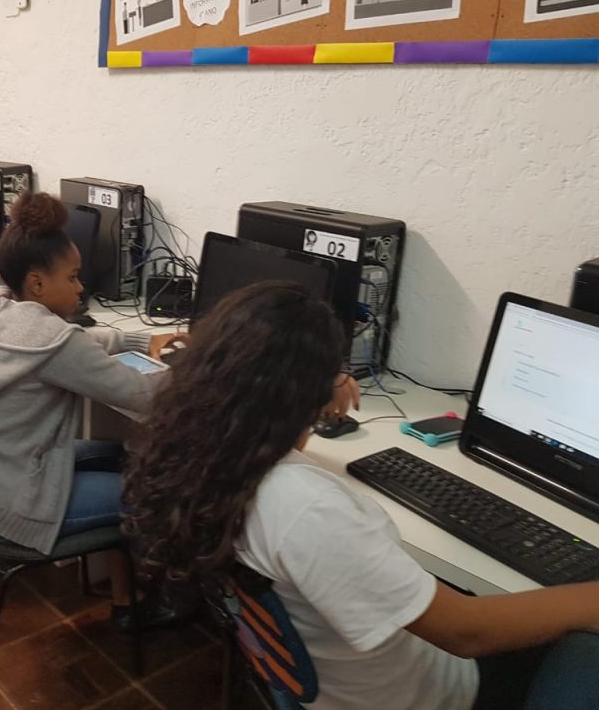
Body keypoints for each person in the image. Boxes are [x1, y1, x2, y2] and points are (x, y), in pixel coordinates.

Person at [124, 282, 599, 710]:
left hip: (329, 681)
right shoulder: (305, 505)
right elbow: (466, 631)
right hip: (424, 694)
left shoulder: (208, 455)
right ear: (301, 393)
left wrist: (315, 395)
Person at [0, 192, 183, 630]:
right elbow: (145, 396)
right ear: (37, 283)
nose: (81, 288)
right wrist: (203, 367)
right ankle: (142, 607)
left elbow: (70, 343)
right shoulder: (53, 341)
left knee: (120, 456)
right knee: (151, 496)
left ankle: (121, 597)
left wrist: (135, 342)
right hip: (21, 504)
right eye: (73, 278)